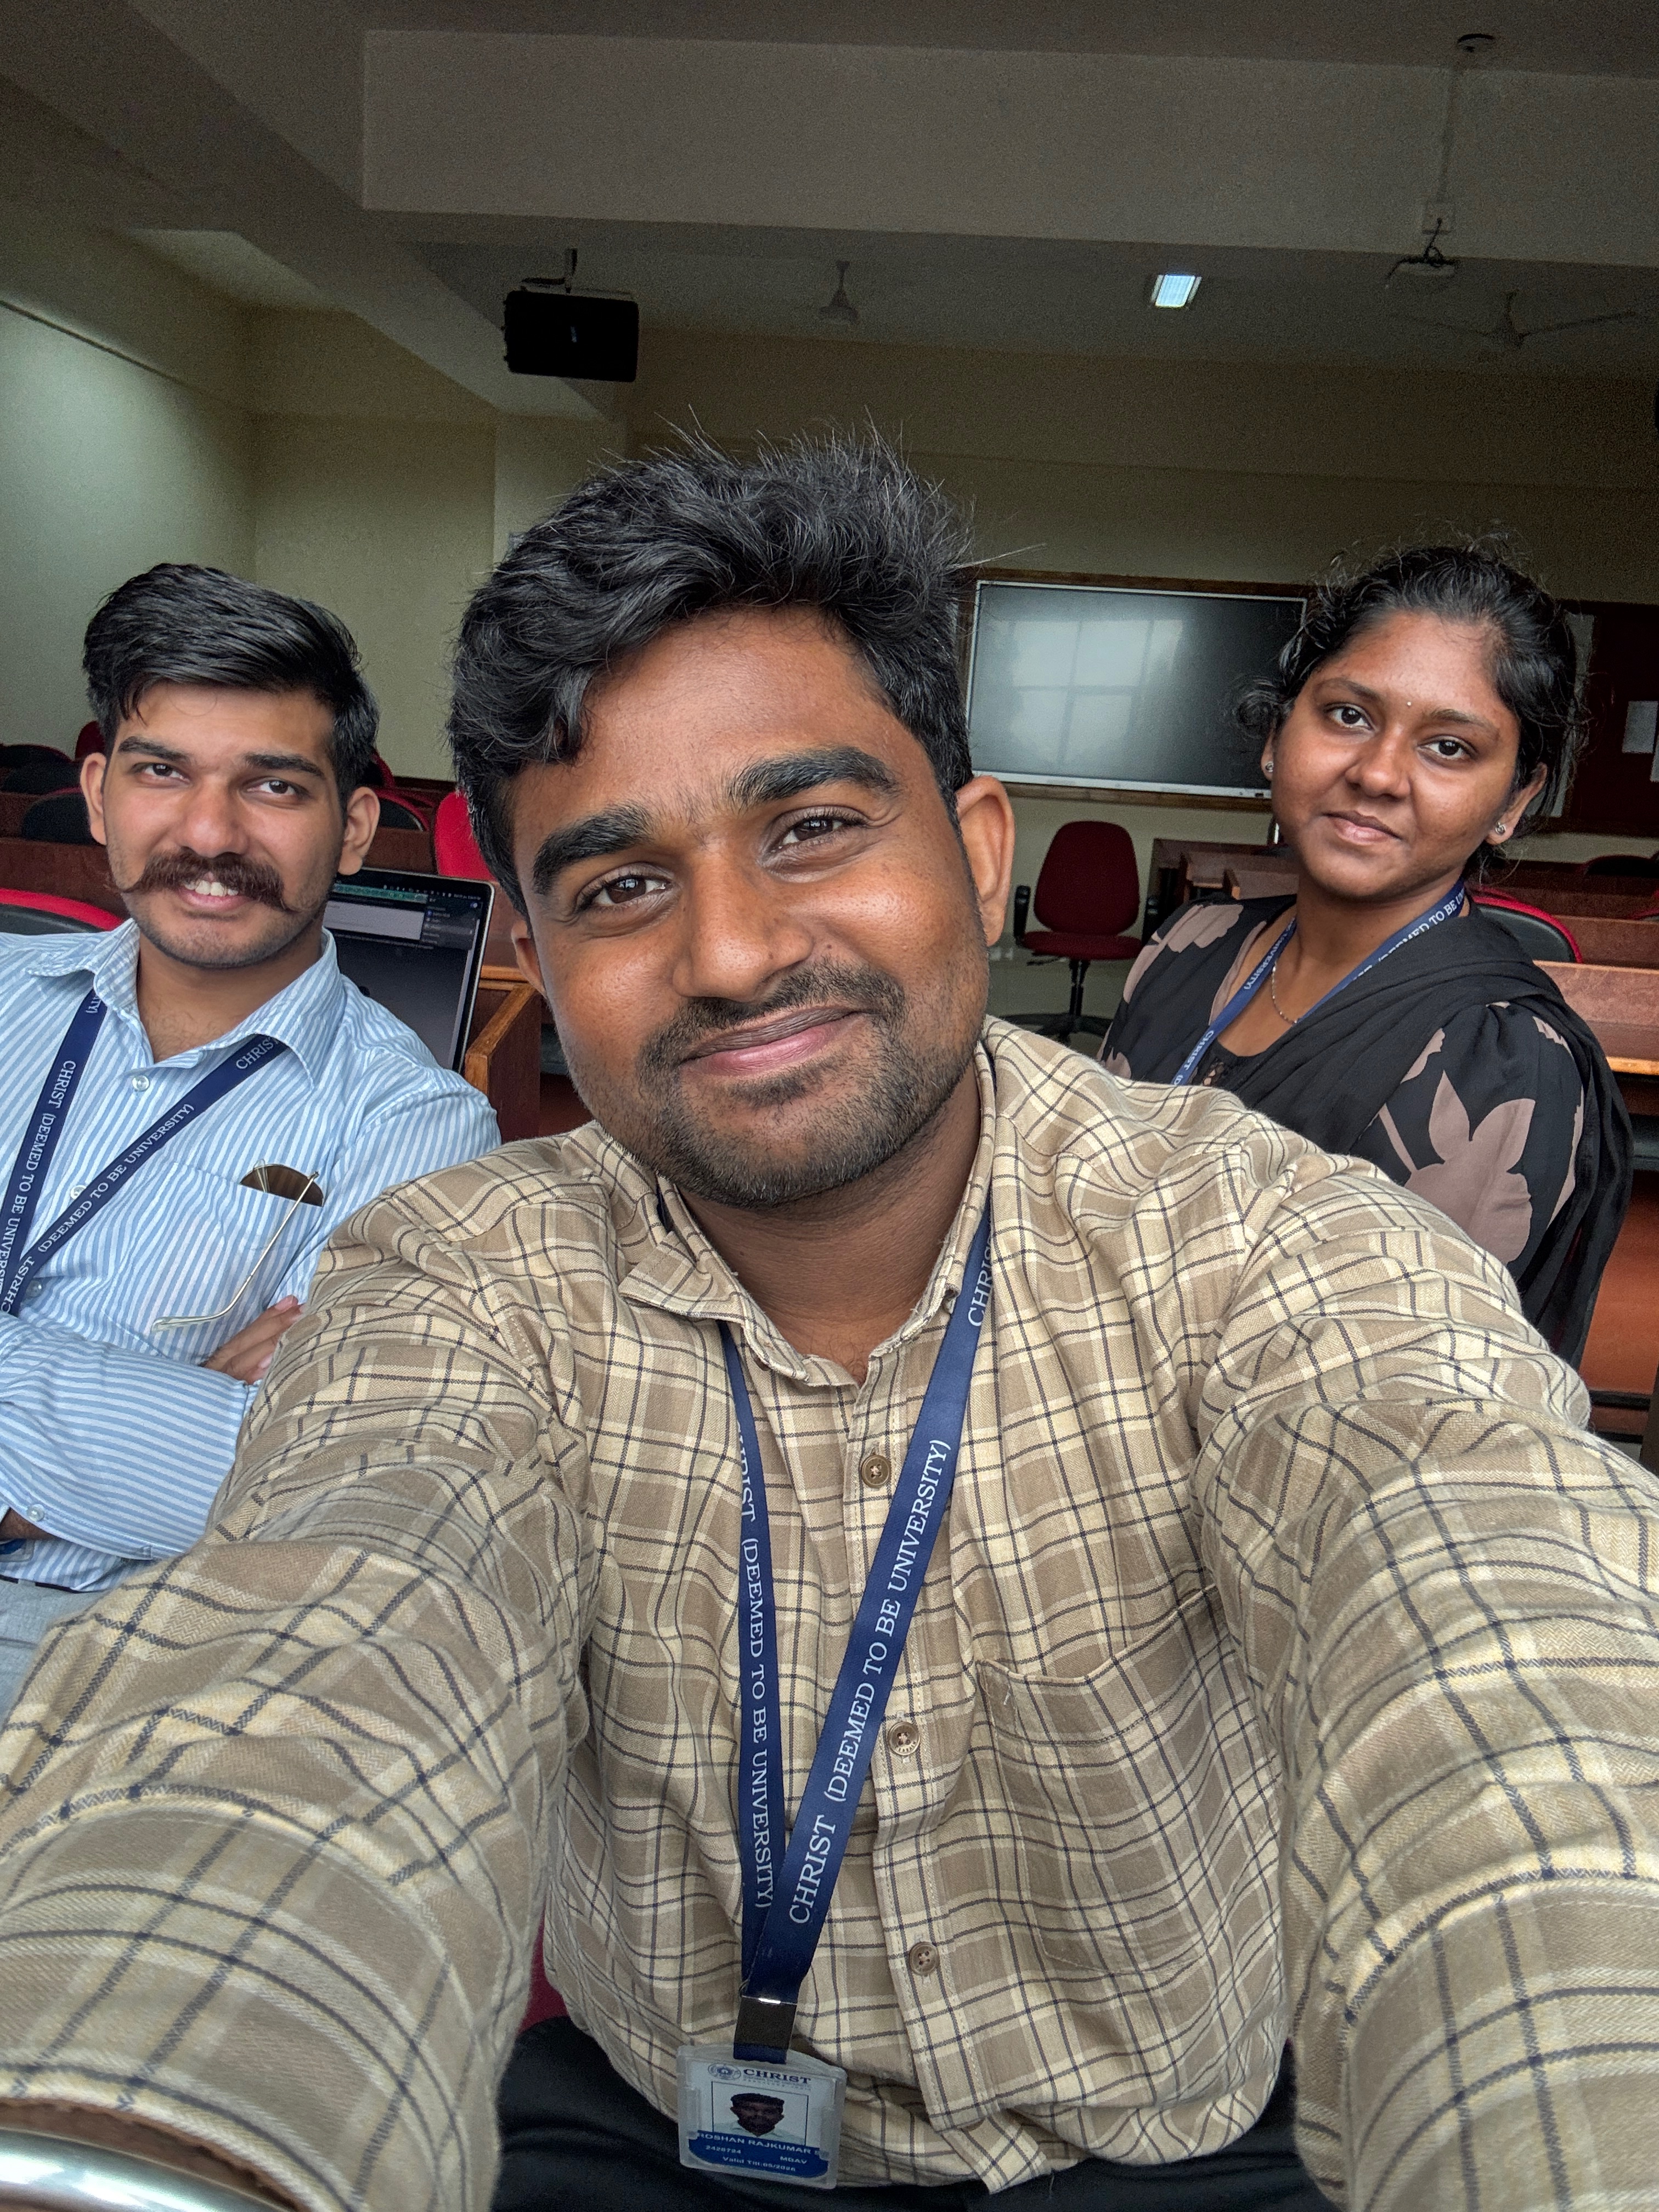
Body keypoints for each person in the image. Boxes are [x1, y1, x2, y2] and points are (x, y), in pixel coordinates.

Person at [0, 444, 1655, 2212]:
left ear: (980, 850)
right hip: (643, 2120)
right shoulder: (466, 1273)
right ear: (542, 959)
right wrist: (140, 2136)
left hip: (1164, 2145)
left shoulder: (1272, 1244)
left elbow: (1496, 1635)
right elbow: (336, 1630)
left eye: (811, 828)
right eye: (620, 885)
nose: (726, 952)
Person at [0, 563, 498, 1716]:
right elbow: (209, 1446)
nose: (208, 833)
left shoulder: (416, 1127)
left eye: (272, 785)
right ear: (97, 795)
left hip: (101, 1649)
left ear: (357, 826)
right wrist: (160, 1402)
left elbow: (309, 1477)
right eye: (161, 772)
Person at [1101, 547, 1630, 1362]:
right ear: (1279, 734)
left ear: (1516, 799)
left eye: (1449, 747)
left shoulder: (1502, 1062)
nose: (1378, 774)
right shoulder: (1187, 947)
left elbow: (1371, 1385)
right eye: (1349, 715)